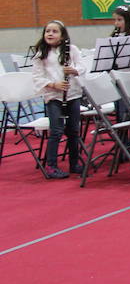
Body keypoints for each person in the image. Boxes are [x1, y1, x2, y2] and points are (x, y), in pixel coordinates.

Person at [31, 21, 87, 179]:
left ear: (63, 36)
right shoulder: (41, 53)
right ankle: (51, 166)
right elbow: (37, 78)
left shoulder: (72, 50)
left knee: (74, 131)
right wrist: (53, 84)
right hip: (54, 96)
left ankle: (74, 163)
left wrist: (75, 70)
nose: (50, 34)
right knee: (56, 131)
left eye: (55, 31)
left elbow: (83, 66)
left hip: (72, 95)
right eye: (47, 31)